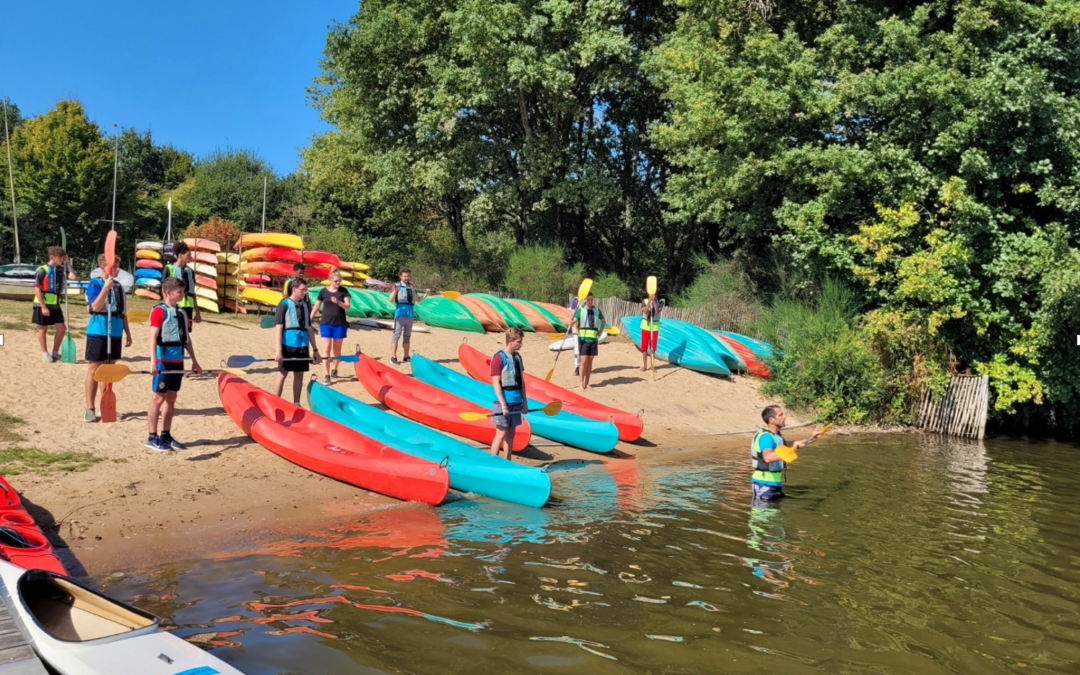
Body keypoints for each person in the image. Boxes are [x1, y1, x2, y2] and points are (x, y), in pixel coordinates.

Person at [147, 277, 203, 451]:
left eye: (183, 291)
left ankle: (166, 435)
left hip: (178, 361)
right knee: (158, 398)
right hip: (164, 361)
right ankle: (151, 437)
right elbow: (152, 338)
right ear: (168, 292)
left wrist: (194, 361)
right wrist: (153, 362)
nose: (183, 294)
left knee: (171, 398)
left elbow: (187, 340)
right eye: (180, 291)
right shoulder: (159, 311)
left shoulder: (182, 313)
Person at [84, 254, 132, 422]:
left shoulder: (119, 287)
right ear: (104, 267)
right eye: (115, 267)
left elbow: (123, 312)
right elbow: (95, 306)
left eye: (118, 267)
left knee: (108, 370)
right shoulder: (95, 284)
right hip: (98, 331)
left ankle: (106, 405)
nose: (118, 270)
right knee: (94, 369)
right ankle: (90, 407)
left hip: (116, 332)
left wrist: (128, 333)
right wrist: (105, 288)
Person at [751, 405, 824, 502]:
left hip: (773, 484)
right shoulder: (766, 437)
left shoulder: (776, 436)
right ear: (771, 420)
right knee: (764, 516)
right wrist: (789, 451)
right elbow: (767, 457)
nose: (785, 416)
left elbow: (795, 444)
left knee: (776, 514)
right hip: (764, 484)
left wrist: (813, 438)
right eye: (781, 415)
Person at [274, 278, 320, 405]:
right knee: (283, 374)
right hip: (288, 345)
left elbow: (309, 328)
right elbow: (278, 328)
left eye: (306, 290)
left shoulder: (305, 305)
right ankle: (275, 402)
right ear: (294, 289)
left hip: (303, 345)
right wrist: (278, 351)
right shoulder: (283, 304)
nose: (305, 292)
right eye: (303, 290)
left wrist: (315, 350)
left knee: (299, 376)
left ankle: (296, 403)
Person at [32, 246, 77, 362]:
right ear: (52, 257)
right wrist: (43, 306)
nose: (62, 259)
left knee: (62, 328)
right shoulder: (42, 270)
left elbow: (72, 277)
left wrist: (68, 264)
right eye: (60, 257)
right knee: (43, 328)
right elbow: (37, 289)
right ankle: (45, 353)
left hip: (55, 304)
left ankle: (55, 352)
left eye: (63, 257)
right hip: (42, 303)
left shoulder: (61, 269)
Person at [489, 328, 526, 461]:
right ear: (510, 341)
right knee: (501, 434)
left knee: (511, 434)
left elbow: (522, 382)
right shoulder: (499, 358)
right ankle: (493, 463)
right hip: (503, 402)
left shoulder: (517, 357)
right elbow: (496, 383)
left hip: (516, 401)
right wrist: (503, 405)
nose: (521, 344)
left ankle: (507, 461)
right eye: (519, 342)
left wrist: (525, 403)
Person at [310, 270, 351, 384]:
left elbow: (347, 306)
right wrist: (310, 319)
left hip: (340, 324)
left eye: (339, 281)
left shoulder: (343, 291)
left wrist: (338, 302)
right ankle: (326, 374)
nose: (338, 283)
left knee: (337, 350)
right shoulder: (323, 291)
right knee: (326, 349)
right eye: (336, 281)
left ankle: (335, 369)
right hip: (326, 323)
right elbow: (317, 306)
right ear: (330, 281)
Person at [388, 267, 427, 365]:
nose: (406, 278)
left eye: (408, 276)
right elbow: (390, 299)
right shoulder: (397, 285)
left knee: (407, 336)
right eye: (404, 276)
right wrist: (396, 290)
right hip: (400, 313)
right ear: (400, 276)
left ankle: (406, 356)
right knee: (396, 335)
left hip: (410, 313)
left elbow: (417, 300)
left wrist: (426, 294)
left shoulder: (412, 287)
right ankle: (393, 357)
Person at [164, 242, 201, 331]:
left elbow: (193, 291)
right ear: (180, 255)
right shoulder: (169, 268)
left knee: (185, 333)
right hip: (174, 305)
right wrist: (167, 306)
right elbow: (163, 289)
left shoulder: (190, 271)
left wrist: (197, 311)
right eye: (188, 255)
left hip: (188, 306)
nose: (190, 257)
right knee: (175, 331)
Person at [573, 292, 605, 390]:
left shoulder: (596, 310)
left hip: (593, 338)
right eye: (588, 300)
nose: (590, 301)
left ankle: (587, 383)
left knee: (590, 361)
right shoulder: (580, 309)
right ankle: (581, 383)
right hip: (583, 338)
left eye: (592, 300)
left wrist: (600, 332)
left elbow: (603, 321)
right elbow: (574, 320)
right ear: (585, 300)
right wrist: (576, 329)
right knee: (583, 361)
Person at [640, 293, 661, 371]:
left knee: (653, 348)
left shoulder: (660, 302)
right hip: (645, 326)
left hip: (654, 327)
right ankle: (645, 366)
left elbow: (656, 311)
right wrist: (649, 302)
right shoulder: (644, 301)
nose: (653, 296)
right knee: (644, 347)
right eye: (651, 295)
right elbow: (645, 311)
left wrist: (654, 302)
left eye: (654, 295)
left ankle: (652, 366)